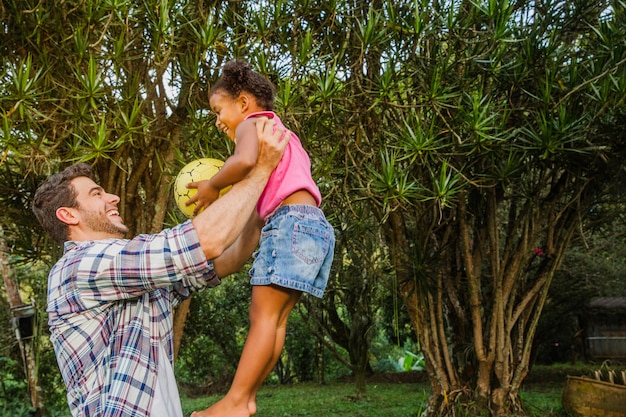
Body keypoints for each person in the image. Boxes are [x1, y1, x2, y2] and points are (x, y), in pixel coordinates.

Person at [31, 118, 289, 417]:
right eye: (96, 194)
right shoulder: (78, 268)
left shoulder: (130, 276)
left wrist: (258, 202)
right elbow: (206, 242)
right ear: (68, 215)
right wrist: (259, 171)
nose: (112, 197)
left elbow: (223, 260)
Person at [188, 60, 335, 417]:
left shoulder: (252, 125)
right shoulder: (284, 134)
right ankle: (249, 397)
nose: (218, 120)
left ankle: (235, 401)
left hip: (289, 224)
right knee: (276, 320)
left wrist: (213, 185)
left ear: (242, 103)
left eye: (218, 110)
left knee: (262, 318)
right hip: (315, 227)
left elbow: (243, 160)